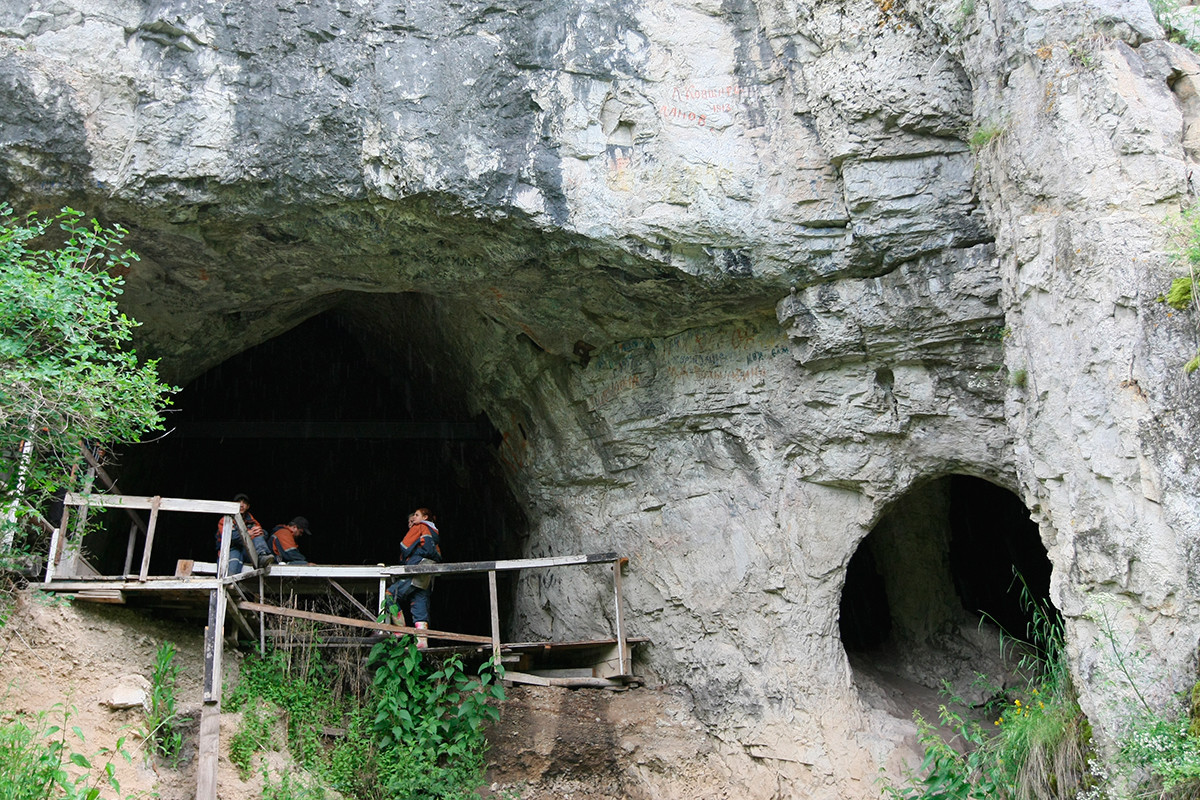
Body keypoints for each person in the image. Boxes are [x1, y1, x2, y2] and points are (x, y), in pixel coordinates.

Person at [385, 508, 442, 649]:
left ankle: (399, 630)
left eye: (414, 518)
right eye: (410, 521)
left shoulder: (420, 527)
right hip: (427, 574)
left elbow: (405, 546)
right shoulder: (434, 535)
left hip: (415, 570)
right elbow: (437, 556)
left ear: (424, 518)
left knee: (390, 594)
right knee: (419, 604)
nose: (412, 523)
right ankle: (422, 641)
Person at [217, 493, 274, 575]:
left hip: (247, 552)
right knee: (231, 570)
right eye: (238, 502)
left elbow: (260, 534)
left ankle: (263, 556)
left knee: (258, 535)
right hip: (231, 550)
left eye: (244, 503)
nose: (241, 505)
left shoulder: (251, 520)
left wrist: (262, 532)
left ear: (248, 506)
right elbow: (229, 537)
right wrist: (247, 534)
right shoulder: (226, 520)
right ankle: (229, 585)